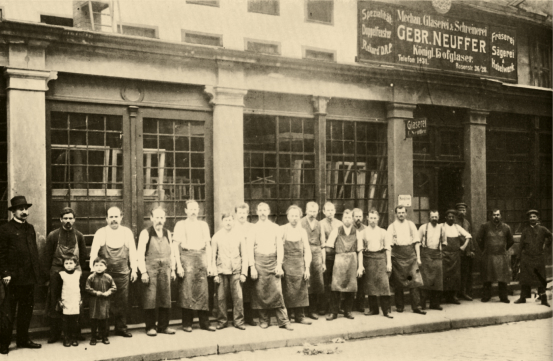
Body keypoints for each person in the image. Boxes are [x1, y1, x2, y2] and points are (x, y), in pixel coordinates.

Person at [0, 196, 43, 354]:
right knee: (8, 312)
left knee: (26, 310)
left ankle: (23, 340)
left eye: (26, 209)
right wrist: (5, 273)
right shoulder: (5, 229)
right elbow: (1, 254)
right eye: (21, 209)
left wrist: (36, 275)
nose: (24, 212)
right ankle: (3, 343)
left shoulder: (30, 228)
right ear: (13, 212)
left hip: (29, 278)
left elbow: (33, 253)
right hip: (12, 279)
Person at [89, 206, 137, 338]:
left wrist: (134, 269)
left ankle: (121, 328)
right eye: (111, 217)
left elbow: (133, 252)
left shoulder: (127, 232)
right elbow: (93, 254)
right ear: (106, 219)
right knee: (104, 302)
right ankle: (104, 330)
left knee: (122, 301)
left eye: (116, 217)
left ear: (121, 217)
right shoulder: (101, 233)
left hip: (122, 274)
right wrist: (94, 272)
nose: (114, 220)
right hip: (104, 276)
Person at [42, 207, 87, 344]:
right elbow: (47, 257)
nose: (68, 221)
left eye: (70, 218)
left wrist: (78, 271)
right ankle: (55, 333)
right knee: (56, 301)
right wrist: (48, 277)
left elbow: (83, 256)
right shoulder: (53, 235)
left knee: (75, 300)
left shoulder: (79, 236)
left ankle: (76, 333)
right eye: (65, 218)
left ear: (74, 219)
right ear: (61, 219)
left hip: (75, 270)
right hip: (57, 271)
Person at [248, 202, 293, 331]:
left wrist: (279, 264)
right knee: (261, 291)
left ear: (268, 211)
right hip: (259, 261)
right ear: (257, 212)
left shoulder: (275, 227)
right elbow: (249, 248)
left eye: (265, 210)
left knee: (277, 292)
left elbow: (280, 246)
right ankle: (264, 320)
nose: (262, 213)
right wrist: (252, 266)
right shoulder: (253, 228)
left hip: (273, 261)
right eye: (260, 210)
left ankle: (284, 321)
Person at [174, 200, 215, 332]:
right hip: (186, 258)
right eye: (190, 209)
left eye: (195, 209)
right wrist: (179, 266)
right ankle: (187, 323)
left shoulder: (203, 225)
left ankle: (205, 323)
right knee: (187, 292)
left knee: (203, 291)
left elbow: (208, 246)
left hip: (201, 258)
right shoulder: (180, 225)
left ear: (199, 210)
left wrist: (209, 265)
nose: (193, 212)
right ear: (185, 211)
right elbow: (175, 246)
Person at [137, 207, 177, 336]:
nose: (159, 220)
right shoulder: (146, 233)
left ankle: (163, 326)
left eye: (161, 218)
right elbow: (140, 254)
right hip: (151, 269)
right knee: (150, 298)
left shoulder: (167, 233)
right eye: (157, 217)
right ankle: (150, 327)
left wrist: (173, 270)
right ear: (151, 218)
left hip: (165, 268)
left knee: (165, 297)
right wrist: (143, 271)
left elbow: (172, 253)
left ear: (164, 219)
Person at [386, 206, 426, 315]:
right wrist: (389, 262)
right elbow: (388, 246)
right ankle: (400, 306)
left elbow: (417, 242)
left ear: (406, 213)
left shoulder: (411, 225)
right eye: (399, 213)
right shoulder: (391, 227)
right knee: (398, 283)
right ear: (395, 214)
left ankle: (416, 307)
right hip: (397, 257)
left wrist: (418, 257)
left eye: (403, 212)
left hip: (410, 256)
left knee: (414, 281)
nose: (401, 214)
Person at [212, 212, 248, 330]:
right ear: (222, 222)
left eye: (230, 220)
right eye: (226, 220)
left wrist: (244, 273)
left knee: (238, 297)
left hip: (236, 271)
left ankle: (239, 321)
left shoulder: (240, 236)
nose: (228, 222)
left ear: (233, 221)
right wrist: (215, 274)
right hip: (221, 271)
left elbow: (244, 255)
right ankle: (222, 321)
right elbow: (213, 257)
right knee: (221, 297)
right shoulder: (216, 236)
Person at [325, 210, 362, 321]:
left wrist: (360, 266)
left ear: (352, 219)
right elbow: (328, 246)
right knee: (336, 286)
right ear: (342, 219)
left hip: (352, 260)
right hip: (339, 259)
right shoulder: (336, 230)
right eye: (345, 217)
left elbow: (360, 250)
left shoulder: (357, 232)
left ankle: (348, 311)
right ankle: (334, 312)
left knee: (351, 287)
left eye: (349, 217)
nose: (347, 219)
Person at [357, 210, 392, 318]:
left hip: (381, 258)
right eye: (371, 218)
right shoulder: (362, 233)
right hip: (368, 258)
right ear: (367, 218)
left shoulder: (383, 232)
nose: (372, 220)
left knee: (384, 284)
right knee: (370, 285)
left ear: (378, 219)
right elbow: (360, 250)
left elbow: (387, 249)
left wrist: (389, 263)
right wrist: (361, 265)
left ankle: (386, 310)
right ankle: (373, 309)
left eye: (374, 218)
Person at [281, 206, 312, 325]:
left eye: (296, 216)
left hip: (299, 265)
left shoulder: (302, 231)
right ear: (288, 217)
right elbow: (279, 249)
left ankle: (300, 316)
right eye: (292, 216)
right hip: (287, 265)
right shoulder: (283, 230)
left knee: (301, 290)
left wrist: (307, 268)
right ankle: (288, 316)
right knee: (287, 290)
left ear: (300, 217)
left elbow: (307, 250)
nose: (294, 218)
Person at [475, 209, 514, 303]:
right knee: (487, 277)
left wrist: (503, 249)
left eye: (498, 215)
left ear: (501, 216)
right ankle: (486, 296)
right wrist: (484, 249)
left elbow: (511, 241)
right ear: (491, 216)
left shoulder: (506, 227)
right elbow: (478, 238)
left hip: (501, 256)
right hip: (489, 256)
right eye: (494, 215)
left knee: (502, 278)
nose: (496, 217)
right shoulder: (485, 226)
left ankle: (503, 297)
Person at [515, 210, 552, 307]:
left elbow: (550, 236)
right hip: (527, 258)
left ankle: (543, 299)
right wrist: (519, 258)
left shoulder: (543, 229)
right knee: (525, 278)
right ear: (528, 219)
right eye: (530, 217)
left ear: (538, 218)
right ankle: (523, 298)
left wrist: (546, 245)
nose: (532, 218)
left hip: (539, 257)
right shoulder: (525, 230)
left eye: (534, 216)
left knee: (540, 279)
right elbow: (521, 245)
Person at [300, 202, 325, 320]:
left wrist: (323, 262)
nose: (312, 213)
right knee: (304, 281)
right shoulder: (300, 222)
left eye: (314, 211)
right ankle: (302, 310)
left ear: (318, 212)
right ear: (306, 211)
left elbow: (322, 243)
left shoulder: (319, 224)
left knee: (316, 282)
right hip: (303, 254)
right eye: (310, 211)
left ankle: (313, 310)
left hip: (316, 255)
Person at [233, 203, 257, 326]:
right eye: (239, 213)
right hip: (236, 263)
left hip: (249, 262)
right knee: (236, 291)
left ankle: (249, 317)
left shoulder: (252, 227)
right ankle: (236, 318)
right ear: (236, 214)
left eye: (244, 213)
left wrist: (251, 265)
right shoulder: (232, 227)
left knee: (248, 291)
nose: (242, 215)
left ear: (247, 214)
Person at [442, 210, 472, 304]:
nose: (451, 218)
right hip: (444, 255)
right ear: (446, 217)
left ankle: (453, 297)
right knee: (445, 276)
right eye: (449, 216)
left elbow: (468, 236)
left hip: (455, 256)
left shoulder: (457, 227)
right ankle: (445, 297)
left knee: (455, 277)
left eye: (452, 217)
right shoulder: (441, 227)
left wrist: (463, 247)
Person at [86, 257, 117, 346]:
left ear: (105, 267)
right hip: (94, 302)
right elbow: (87, 288)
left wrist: (108, 292)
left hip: (104, 302)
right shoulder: (91, 277)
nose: (99, 267)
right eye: (96, 265)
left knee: (104, 320)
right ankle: (93, 338)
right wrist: (96, 292)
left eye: (101, 265)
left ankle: (104, 337)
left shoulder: (108, 277)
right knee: (94, 320)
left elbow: (114, 288)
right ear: (93, 267)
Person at [418, 210, 445, 311]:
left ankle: (435, 304)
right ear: (429, 217)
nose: (434, 219)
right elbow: (417, 242)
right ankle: (422, 304)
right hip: (426, 256)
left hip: (437, 255)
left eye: (436, 217)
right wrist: (419, 257)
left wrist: (440, 252)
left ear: (438, 217)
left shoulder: (442, 228)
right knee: (425, 281)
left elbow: (444, 242)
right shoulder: (423, 227)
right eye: (432, 217)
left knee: (437, 281)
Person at [319, 202, 343, 315]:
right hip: (325, 258)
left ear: (335, 211)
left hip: (338, 257)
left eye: (332, 210)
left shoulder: (340, 224)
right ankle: (324, 307)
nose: (330, 212)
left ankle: (336, 307)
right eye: (327, 210)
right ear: (323, 212)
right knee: (325, 283)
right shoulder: (320, 224)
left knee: (337, 283)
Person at [53, 255, 82, 347]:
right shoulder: (61, 274)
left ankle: (74, 337)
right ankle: (66, 337)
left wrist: (81, 299)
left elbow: (81, 288)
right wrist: (59, 301)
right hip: (65, 300)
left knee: (75, 321)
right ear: (63, 265)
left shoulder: (78, 274)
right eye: (66, 263)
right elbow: (57, 289)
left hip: (75, 300)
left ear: (75, 264)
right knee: (66, 321)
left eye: (71, 263)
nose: (68, 265)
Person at [454, 202, 475, 301]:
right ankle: (455, 294)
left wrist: (471, 250)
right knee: (456, 274)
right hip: (456, 252)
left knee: (465, 273)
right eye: (460, 210)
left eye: (463, 210)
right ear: (457, 211)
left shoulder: (467, 223)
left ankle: (464, 292)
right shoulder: (453, 222)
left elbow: (470, 237)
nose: (462, 212)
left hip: (466, 253)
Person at [352, 208, 366, 312]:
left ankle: (360, 304)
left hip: (362, 257)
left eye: (360, 216)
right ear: (352, 217)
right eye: (356, 216)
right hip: (351, 257)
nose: (358, 218)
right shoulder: (349, 228)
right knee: (351, 281)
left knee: (362, 282)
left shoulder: (365, 229)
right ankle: (350, 304)